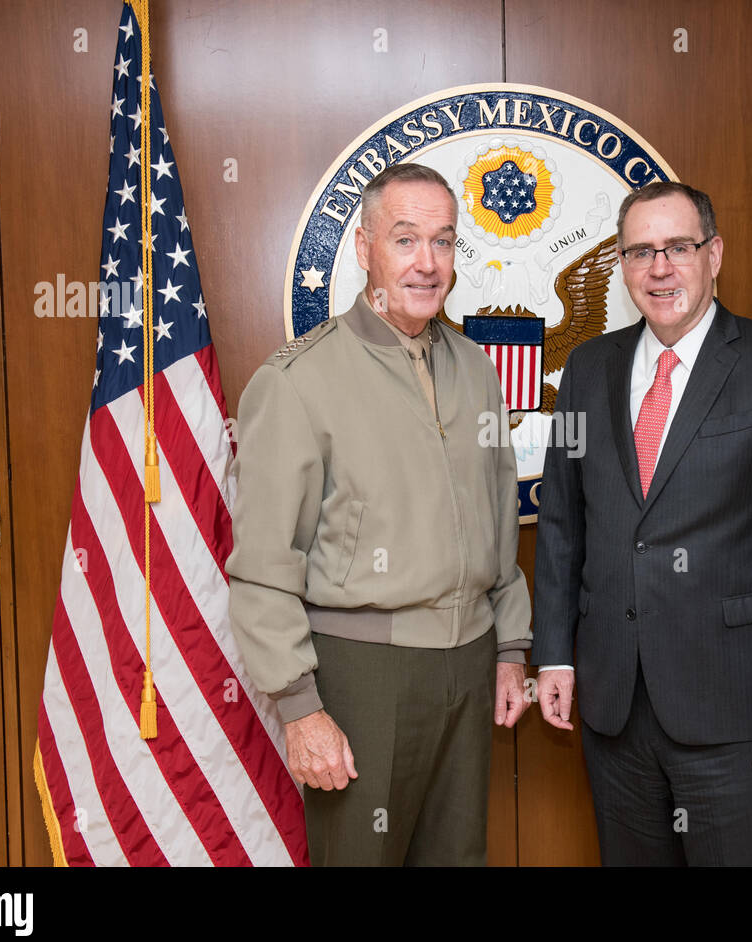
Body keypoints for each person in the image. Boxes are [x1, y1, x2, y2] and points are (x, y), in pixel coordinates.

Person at [226, 163, 532, 866]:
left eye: (445, 241)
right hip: (362, 675)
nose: (427, 263)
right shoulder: (296, 382)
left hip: (470, 663)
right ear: (364, 247)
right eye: (405, 240)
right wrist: (301, 708)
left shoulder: (477, 369)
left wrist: (511, 648)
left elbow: (497, 519)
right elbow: (265, 567)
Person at [532, 181, 752, 865]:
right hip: (615, 709)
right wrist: (553, 649)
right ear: (622, 266)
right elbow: (561, 522)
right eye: (640, 252)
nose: (660, 267)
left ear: (714, 254)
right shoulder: (588, 368)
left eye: (678, 246)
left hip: (737, 709)